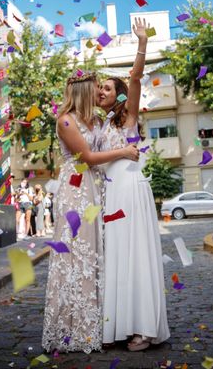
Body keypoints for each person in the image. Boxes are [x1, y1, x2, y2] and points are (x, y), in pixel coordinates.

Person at [42, 71, 139, 354]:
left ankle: (100, 325)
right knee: (77, 253)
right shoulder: (66, 120)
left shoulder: (97, 120)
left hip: (98, 189)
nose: (99, 93)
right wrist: (123, 152)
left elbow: (122, 116)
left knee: (97, 255)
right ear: (84, 91)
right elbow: (86, 157)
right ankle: (74, 329)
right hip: (76, 191)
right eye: (96, 88)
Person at [97, 17, 170, 352]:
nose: (101, 91)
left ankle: (143, 328)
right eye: (99, 88)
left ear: (120, 95)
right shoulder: (94, 125)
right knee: (117, 259)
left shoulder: (128, 118)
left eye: (107, 88)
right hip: (110, 196)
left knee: (136, 257)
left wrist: (142, 42)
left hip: (131, 191)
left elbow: (136, 77)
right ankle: (119, 326)